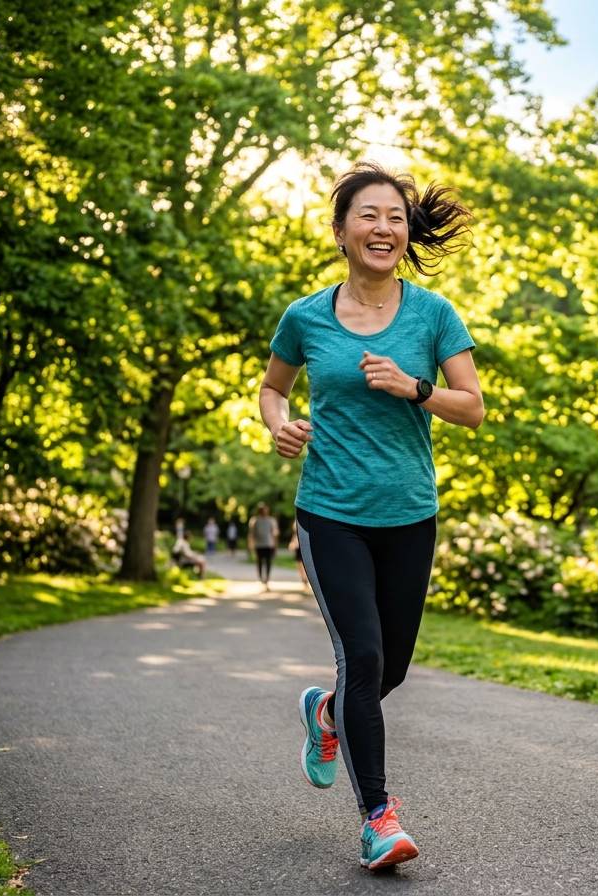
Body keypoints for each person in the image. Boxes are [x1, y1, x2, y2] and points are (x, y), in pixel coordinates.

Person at [258, 162, 482, 871]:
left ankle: (326, 713)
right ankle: (378, 819)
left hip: (410, 514)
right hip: (331, 513)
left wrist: (414, 387)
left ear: (406, 233)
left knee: (390, 670)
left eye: (395, 217)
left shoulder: (434, 314)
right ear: (341, 231)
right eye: (369, 215)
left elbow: (472, 408)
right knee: (363, 657)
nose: (383, 228)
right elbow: (272, 388)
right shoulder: (306, 317)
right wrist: (279, 423)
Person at [248, 503, 279, 587]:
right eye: (262, 509)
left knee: (268, 562)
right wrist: (250, 545)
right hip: (258, 545)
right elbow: (251, 534)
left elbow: (275, 534)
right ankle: (261, 578)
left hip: (269, 545)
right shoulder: (254, 520)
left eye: (265, 509)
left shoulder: (271, 520)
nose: (264, 511)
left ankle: (267, 578)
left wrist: (275, 546)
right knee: (259, 562)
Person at [287, 519, 308, 587]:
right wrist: (292, 543)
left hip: (304, 545)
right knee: (299, 563)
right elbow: (294, 535)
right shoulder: (296, 521)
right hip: (297, 545)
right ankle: (303, 578)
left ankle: (305, 578)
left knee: (304, 563)